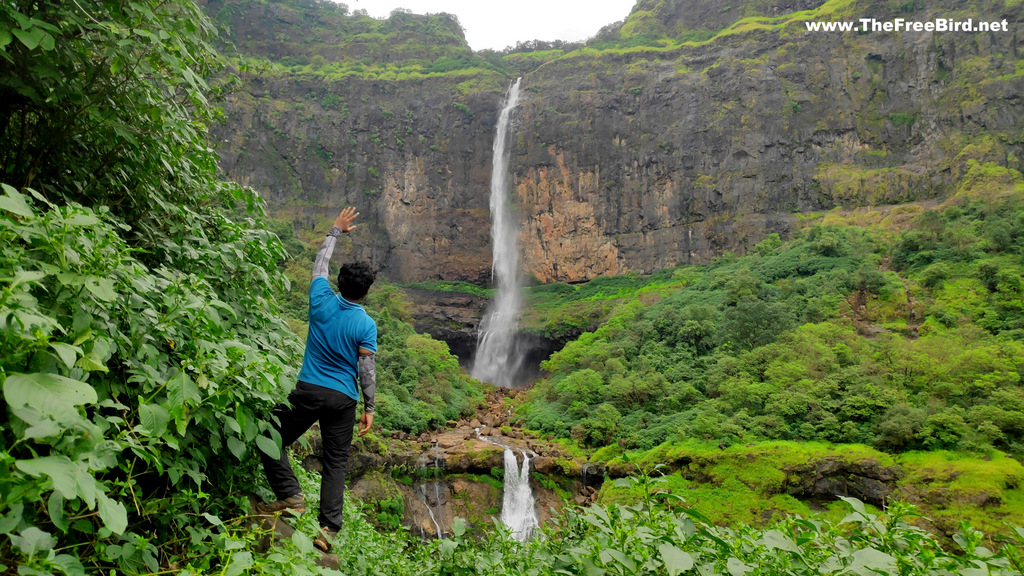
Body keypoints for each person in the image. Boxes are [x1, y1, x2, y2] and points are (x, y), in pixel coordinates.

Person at [257, 206, 378, 553]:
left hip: (310, 388)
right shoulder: (366, 324)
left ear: (338, 284)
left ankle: (291, 495)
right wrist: (370, 406)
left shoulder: (320, 299)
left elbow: (319, 264)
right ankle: (327, 532)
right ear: (366, 292)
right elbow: (366, 371)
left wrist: (335, 230)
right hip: (344, 399)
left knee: (269, 436)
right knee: (335, 462)